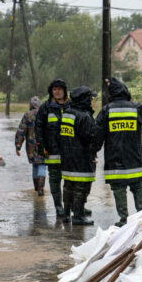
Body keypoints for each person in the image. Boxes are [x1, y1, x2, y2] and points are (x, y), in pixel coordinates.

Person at [94, 78, 142, 227]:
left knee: (119, 189)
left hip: (114, 158)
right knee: (138, 186)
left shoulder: (106, 110)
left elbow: (97, 133)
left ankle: (124, 219)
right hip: (134, 157)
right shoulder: (137, 108)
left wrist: (94, 150)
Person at [60, 86, 97, 225]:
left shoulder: (68, 113)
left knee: (68, 186)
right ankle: (78, 216)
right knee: (82, 188)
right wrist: (93, 154)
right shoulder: (84, 116)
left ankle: (66, 213)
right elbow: (90, 139)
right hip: (81, 159)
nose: (92, 101)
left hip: (67, 157)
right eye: (90, 98)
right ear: (84, 99)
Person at [35, 79, 69, 216]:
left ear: (64, 91)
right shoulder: (45, 108)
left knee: (70, 181)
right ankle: (58, 207)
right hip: (52, 152)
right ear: (51, 91)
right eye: (54, 89)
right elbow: (39, 128)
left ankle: (70, 207)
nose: (57, 91)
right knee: (55, 180)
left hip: (69, 152)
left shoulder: (71, 106)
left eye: (59, 89)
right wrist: (41, 146)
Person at [15, 96, 46, 196]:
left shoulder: (27, 115)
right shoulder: (45, 113)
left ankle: (36, 189)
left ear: (31, 104)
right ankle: (41, 189)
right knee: (42, 165)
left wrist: (18, 146)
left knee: (35, 166)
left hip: (31, 146)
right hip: (44, 145)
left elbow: (21, 131)